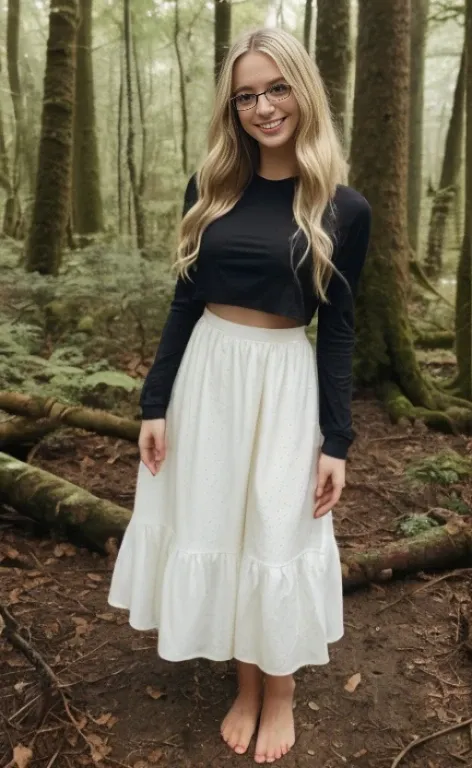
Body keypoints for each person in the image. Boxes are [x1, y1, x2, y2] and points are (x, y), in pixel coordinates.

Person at [108, 25, 371, 765]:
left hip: (283, 382)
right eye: (247, 95)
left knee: (275, 530)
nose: (262, 107)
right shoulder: (213, 188)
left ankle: (279, 693)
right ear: (234, 108)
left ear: (303, 91)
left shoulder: (343, 208)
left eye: (276, 87)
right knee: (220, 524)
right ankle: (245, 685)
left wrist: (337, 441)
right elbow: (183, 302)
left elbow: (341, 330)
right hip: (207, 377)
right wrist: (153, 403)